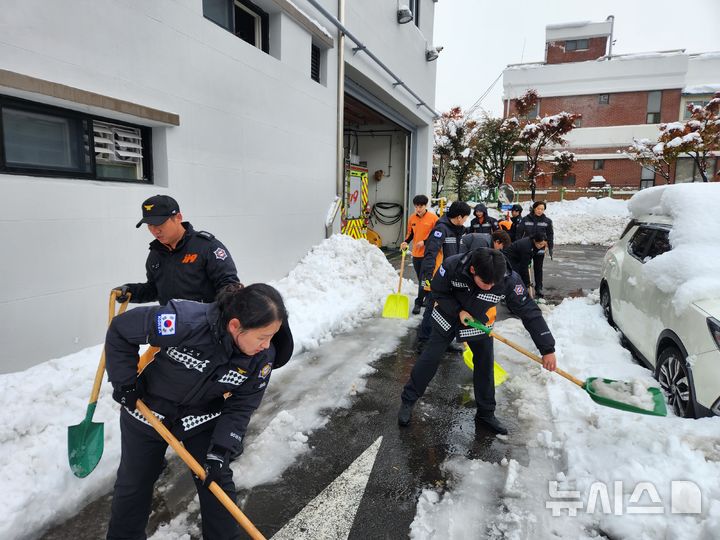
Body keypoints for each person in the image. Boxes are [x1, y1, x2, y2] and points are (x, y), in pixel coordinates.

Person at [105, 283, 293, 540]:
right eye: (262, 337)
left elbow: (242, 405)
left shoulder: (261, 358)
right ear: (235, 326)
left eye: (272, 336)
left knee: (217, 482)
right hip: (148, 408)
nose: (267, 345)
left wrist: (221, 450)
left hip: (201, 415)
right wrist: (125, 382)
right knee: (134, 483)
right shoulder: (184, 322)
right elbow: (121, 330)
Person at [398, 248, 557, 434]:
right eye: (485, 282)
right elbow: (438, 291)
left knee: (484, 365)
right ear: (473, 270)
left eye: (493, 283)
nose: (490, 287)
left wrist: (547, 348)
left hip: (479, 321)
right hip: (447, 316)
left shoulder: (508, 279)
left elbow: (529, 312)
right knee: (430, 358)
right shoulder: (452, 266)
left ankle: (486, 413)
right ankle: (408, 401)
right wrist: (458, 311)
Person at [114, 195, 240, 305]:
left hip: (204, 325)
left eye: (159, 224)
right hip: (172, 325)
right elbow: (155, 290)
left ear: (178, 217)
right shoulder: (156, 253)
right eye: (150, 225)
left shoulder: (207, 247)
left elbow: (229, 287)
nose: (155, 230)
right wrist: (131, 292)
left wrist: (217, 316)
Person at [416, 201, 472, 349]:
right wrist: (428, 275)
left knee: (448, 309)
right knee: (432, 306)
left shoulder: (457, 229)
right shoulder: (441, 229)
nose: (466, 220)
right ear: (459, 217)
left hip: (452, 275)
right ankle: (423, 340)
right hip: (438, 276)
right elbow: (430, 253)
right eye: (465, 217)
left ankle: (444, 340)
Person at [400, 195, 439, 315]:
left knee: (424, 279)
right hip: (416, 254)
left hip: (429, 254)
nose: (418, 209)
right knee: (421, 278)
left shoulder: (433, 219)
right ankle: (427, 296)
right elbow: (410, 234)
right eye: (416, 206)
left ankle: (418, 302)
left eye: (420, 206)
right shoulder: (412, 218)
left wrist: (425, 242)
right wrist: (405, 242)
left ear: (425, 205)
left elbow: (437, 235)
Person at [516, 201, 554, 298]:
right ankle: (525, 286)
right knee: (524, 268)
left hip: (540, 248)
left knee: (538, 268)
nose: (540, 211)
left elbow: (550, 235)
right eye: (538, 209)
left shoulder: (547, 221)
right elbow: (519, 233)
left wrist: (550, 247)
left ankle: (539, 288)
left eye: (542, 209)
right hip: (527, 248)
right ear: (534, 208)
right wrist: (519, 246)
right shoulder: (525, 219)